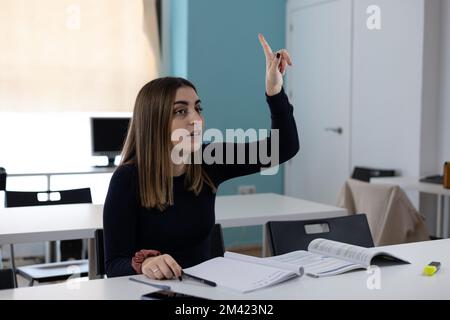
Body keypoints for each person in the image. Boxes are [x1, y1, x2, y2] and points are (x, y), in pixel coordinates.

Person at [103, 34, 299, 280]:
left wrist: (275, 92)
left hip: (206, 290)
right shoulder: (127, 179)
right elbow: (113, 265)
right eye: (180, 111)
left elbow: (283, 147)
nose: (195, 118)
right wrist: (145, 264)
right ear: (154, 121)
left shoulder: (207, 159)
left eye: (198, 108)